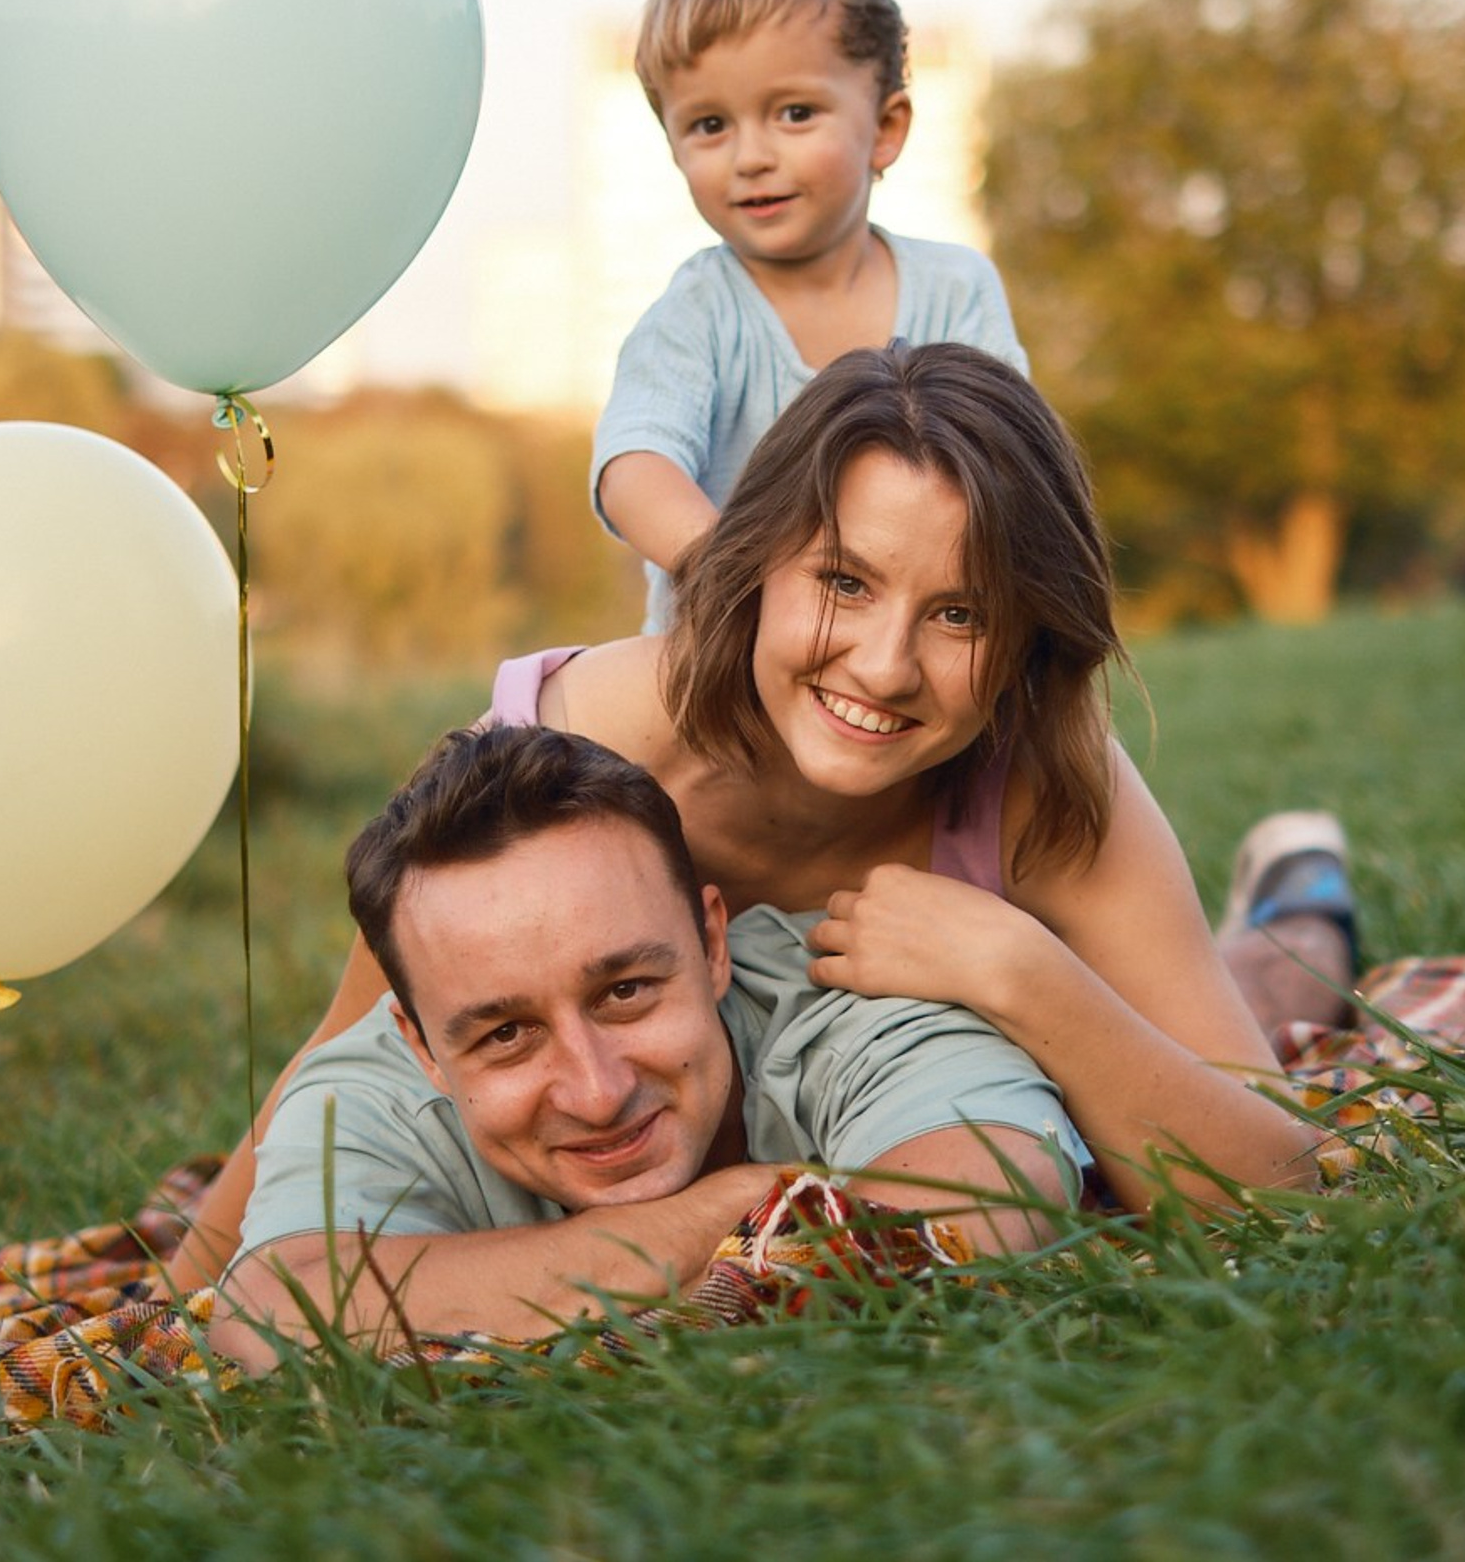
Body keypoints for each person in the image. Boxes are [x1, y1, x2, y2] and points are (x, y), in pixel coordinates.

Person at [171, 343, 1329, 1291]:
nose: (883, 668)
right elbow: (359, 1031)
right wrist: (186, 1290)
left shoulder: (1047, 787)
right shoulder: (577, 746)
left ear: (1028, 640)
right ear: (756, 561)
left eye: (962, 615)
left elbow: (1275, 1184)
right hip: (776, 1145)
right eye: (844, 583)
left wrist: (1022, 971)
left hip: (976, 1079)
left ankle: (1301, 897)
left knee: (1268, 1003)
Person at [210, 722, 1083, 1369]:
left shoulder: (852, 991)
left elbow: (987, 1202)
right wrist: (731, 1208)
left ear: (711, 945)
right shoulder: (365, 1086)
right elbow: (268, 1315)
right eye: (508, 1035)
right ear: (422, 1048)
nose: (595, 1092)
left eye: (625, 992)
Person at [592, 0, 1027, 632]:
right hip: (728, 665)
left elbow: (1011, 464)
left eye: (795, 114)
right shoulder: (698, 313)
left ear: (885, 129)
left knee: (1070, 731)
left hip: (906, 651)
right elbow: (633, 469)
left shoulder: (957, 289)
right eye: (709, 125)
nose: (752, 157)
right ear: (671, 147)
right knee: (555, 704)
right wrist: (731, 570)